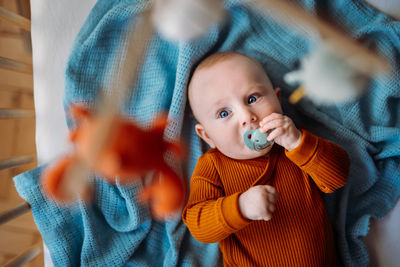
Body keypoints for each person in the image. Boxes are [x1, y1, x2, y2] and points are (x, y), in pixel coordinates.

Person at [182, 51, 350, 266]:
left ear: (277, 100)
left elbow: (338, 176)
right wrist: (240, 208)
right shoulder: (213, 165)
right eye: (224, 113)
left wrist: (297, 142)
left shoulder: (295, 143)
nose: (247, 116)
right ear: (207, 136)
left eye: (253, 99)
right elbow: (198, 225)